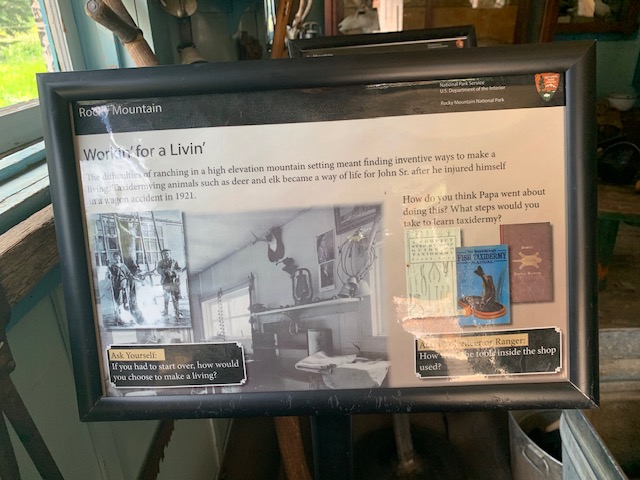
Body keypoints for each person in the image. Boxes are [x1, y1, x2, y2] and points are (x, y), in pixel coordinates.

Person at [156, 249, 184, 320]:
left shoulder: (174, 261)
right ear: (163, 255)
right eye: (164, 253)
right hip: (166, 282)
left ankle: (177, 311)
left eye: (167, 253)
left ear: (170, 254)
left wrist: (173, 272)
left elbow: (179, 269)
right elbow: (158, 270)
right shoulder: (160, 263)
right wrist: (165, 271)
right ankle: (166, 311)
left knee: (175, 297)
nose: (166, 255)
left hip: (174, 282)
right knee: (166, 297)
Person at [109, 252, 132, 323]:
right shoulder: (113, 266)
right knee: (119, 301)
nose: (117, 258)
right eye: (115, 257)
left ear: (120, 257)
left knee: (126, 300)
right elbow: (111, 275)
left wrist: (133, 277)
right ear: (114, 258)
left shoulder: (123, 266)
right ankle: (120, 318)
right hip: (117, 286)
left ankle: (127, 317)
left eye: (118, 256)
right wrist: (109, 273)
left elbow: (129, 273)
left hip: (124, 285)